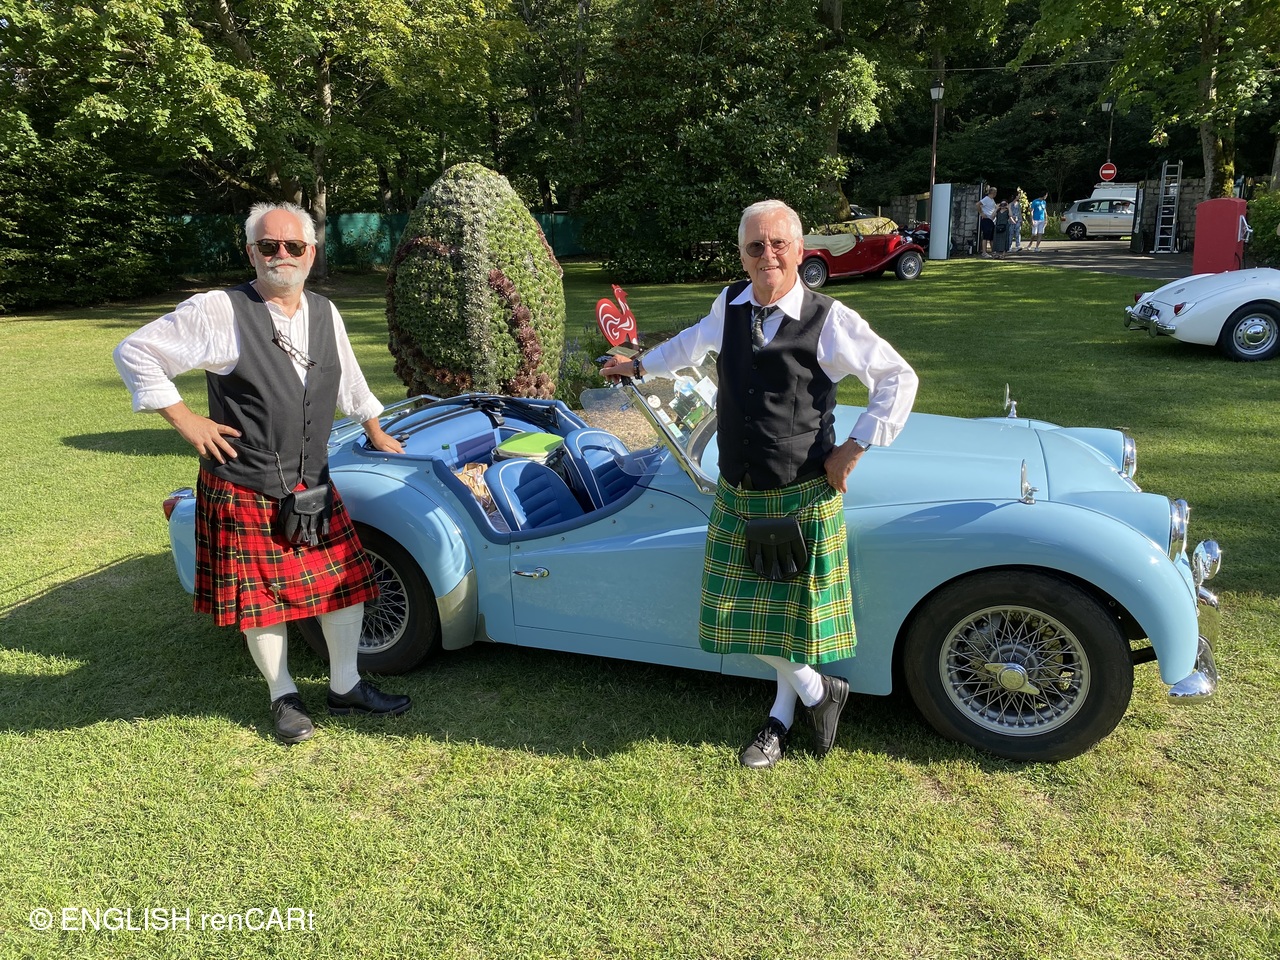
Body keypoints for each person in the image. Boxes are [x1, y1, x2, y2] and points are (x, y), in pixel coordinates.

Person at [600, 200, 917, 769]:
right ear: (743, 256)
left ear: (799, 250)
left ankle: (780, 717)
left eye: (778, 244)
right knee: (740, 616)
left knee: (783, 622)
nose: (767, 255)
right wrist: (640, 366)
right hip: (738, 491)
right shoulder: (729, 304)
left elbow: (898, 377)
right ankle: (818, 692)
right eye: (755, 246)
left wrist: (854, 447)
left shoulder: (830, 319)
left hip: (801, 492)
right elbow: (690, 345)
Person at [114, 201, 412, 744]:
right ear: (251, 252)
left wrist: (374, 429)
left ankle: (345, 686)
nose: (282, 255)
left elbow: (349, 379)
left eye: (293, 246)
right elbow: (135, 352)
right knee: (262, 600)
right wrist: (186, 420)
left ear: (311, 253)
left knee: (344, 584)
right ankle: (283, 696)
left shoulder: (324, 311)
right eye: (269, 246)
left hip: (311, 481)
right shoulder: (219, 310)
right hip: (244, 482)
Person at [976, 186, 997, 257]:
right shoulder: (986, 199)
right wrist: (981, 213)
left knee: (991, 237)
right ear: (993, 193)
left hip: (991, 220)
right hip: (986, 219)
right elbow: (978, 204)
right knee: (986, 236)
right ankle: (984, 252)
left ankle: (993, 251)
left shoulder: (992, 200)